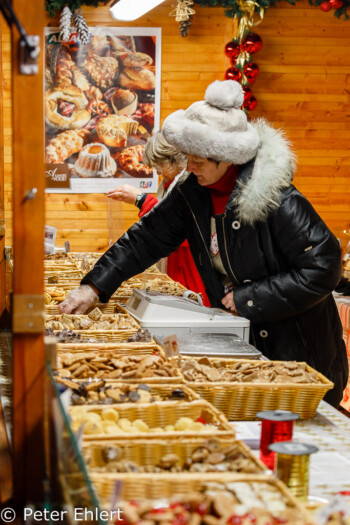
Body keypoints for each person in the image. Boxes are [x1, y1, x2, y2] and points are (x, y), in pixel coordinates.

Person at [59, 80, 348, 407]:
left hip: (299, 349)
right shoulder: (192, 191)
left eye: (198, 159)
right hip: (243, 341)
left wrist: (250, 299)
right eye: (188, 156)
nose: (189, 166)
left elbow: (324, 266)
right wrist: (94, 287)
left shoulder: (278, 199)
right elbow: (144, 239)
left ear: (226, 157)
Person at [106, 131, 210, 305]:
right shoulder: (168, 184)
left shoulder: (195, 185)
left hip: (191, 274)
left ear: (174, 160)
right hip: (174, 269)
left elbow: (182, 230)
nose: (157, 171)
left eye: (159, 165)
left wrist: (141, 199)